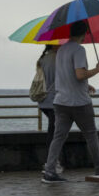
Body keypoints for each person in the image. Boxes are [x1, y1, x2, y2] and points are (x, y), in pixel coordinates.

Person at [41, 20, 99, 183]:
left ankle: (49, 170)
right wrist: (97, 70)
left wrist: (86, 84)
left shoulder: (61, 50)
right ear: (85, 34)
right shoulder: (79, 50)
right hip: (79, 103)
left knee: (58, 137)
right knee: (91, 135)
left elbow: (66, 76)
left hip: (60, 101)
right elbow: (79, 75)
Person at [37, 45, 65, 177]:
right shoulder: (58, 58)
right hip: (54, 100)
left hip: (43, 101)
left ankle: (51, 162)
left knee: (53, 131)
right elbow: (64, 77)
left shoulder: (42, 59)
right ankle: (52, 163)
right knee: (55, 133)